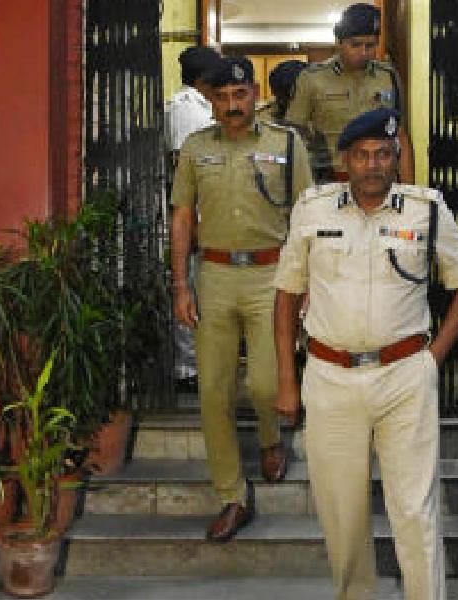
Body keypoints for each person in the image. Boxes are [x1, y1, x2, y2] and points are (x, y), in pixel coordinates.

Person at [273, 108, 458, 600]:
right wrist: (287, 376)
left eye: (383, 155)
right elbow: (286, 295)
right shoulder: (313, 209)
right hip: (330, 376)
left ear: (396, 159)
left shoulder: (425, 208)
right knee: (342, 514)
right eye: (363, 155)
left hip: (404, 376)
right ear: (345, 160)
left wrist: (434, 357)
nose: (373, 165)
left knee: (414, 509)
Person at [170, 56, 314, 541]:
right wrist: (181, 285)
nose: (233, 106)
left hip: (272, 276)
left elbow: (306, 216)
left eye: (241, 96)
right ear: (211, 100)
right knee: (213, 391)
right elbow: (183, 219)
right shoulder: (194, 148)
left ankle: (272, 438)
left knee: (265, 385)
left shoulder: (288, 145)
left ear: (254, 94)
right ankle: (231, 495)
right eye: (223, 98)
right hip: (213, 274)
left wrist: (308, 283)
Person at [284, 3, 415, 184]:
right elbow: (293, 138)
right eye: (355, 45)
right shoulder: (312, 79)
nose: (363, 52)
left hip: (381, 179)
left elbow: (400, 135)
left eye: (370, 45)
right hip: (331, 179)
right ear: (339, 43)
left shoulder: (388, 76)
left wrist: (408, 190)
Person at [165, 45, 222, 392]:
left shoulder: (199, 107)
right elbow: (187, 169)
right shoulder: (187, 111)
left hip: (200, 211)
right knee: (189, 286)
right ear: (202, 79)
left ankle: (196, 363)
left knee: (199, 287)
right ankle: (187, 369)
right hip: (191, 212)